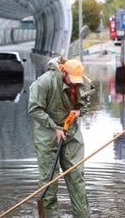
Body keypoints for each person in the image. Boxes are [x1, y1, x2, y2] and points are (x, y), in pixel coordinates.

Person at [28, 58, 93, 217]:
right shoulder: (44, 82)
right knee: (49, 181)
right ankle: (49, 215)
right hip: (47, 134)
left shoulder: (82, 82)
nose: (75, 84)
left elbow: (86, 101)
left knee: (76, 176)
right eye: (72, 80)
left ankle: (83, 215)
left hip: (71, 132)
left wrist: (79, 111)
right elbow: (34, 109)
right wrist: (54, 127)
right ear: (64, 72)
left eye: (78, 82)